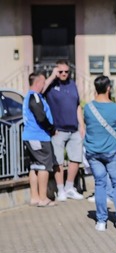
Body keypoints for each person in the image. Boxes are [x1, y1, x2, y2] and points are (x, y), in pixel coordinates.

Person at [83, 75, 116, 232]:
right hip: (111, 152)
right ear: (108, 88)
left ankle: (101, 221)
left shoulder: (88, 108)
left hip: (93, 152)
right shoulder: (115, 108)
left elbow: (88, 124)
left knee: (100, 183)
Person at [43, 59, 85, 201]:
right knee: (58, 161)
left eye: (66, 71)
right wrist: (52, 76)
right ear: (56, 71)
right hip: (58, 130)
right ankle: (60, 190)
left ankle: (69, 187)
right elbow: (40, 91)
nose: (64, 74)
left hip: (74, 129)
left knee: (75, 158)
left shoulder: (72, 84)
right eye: (60, 71)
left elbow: (77, 105)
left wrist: (82, 125)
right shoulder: (51, 85)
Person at [22, 71, 57, 207]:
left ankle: (34, 197)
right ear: (37, 83)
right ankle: (43, 198)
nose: (44, 85)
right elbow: (41, 117)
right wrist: (51, 129)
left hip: (30, 137)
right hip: (39, 136)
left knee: (34, 166)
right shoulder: (35, 97)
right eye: (43, 82)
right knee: (43, 166)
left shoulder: (29, 96)